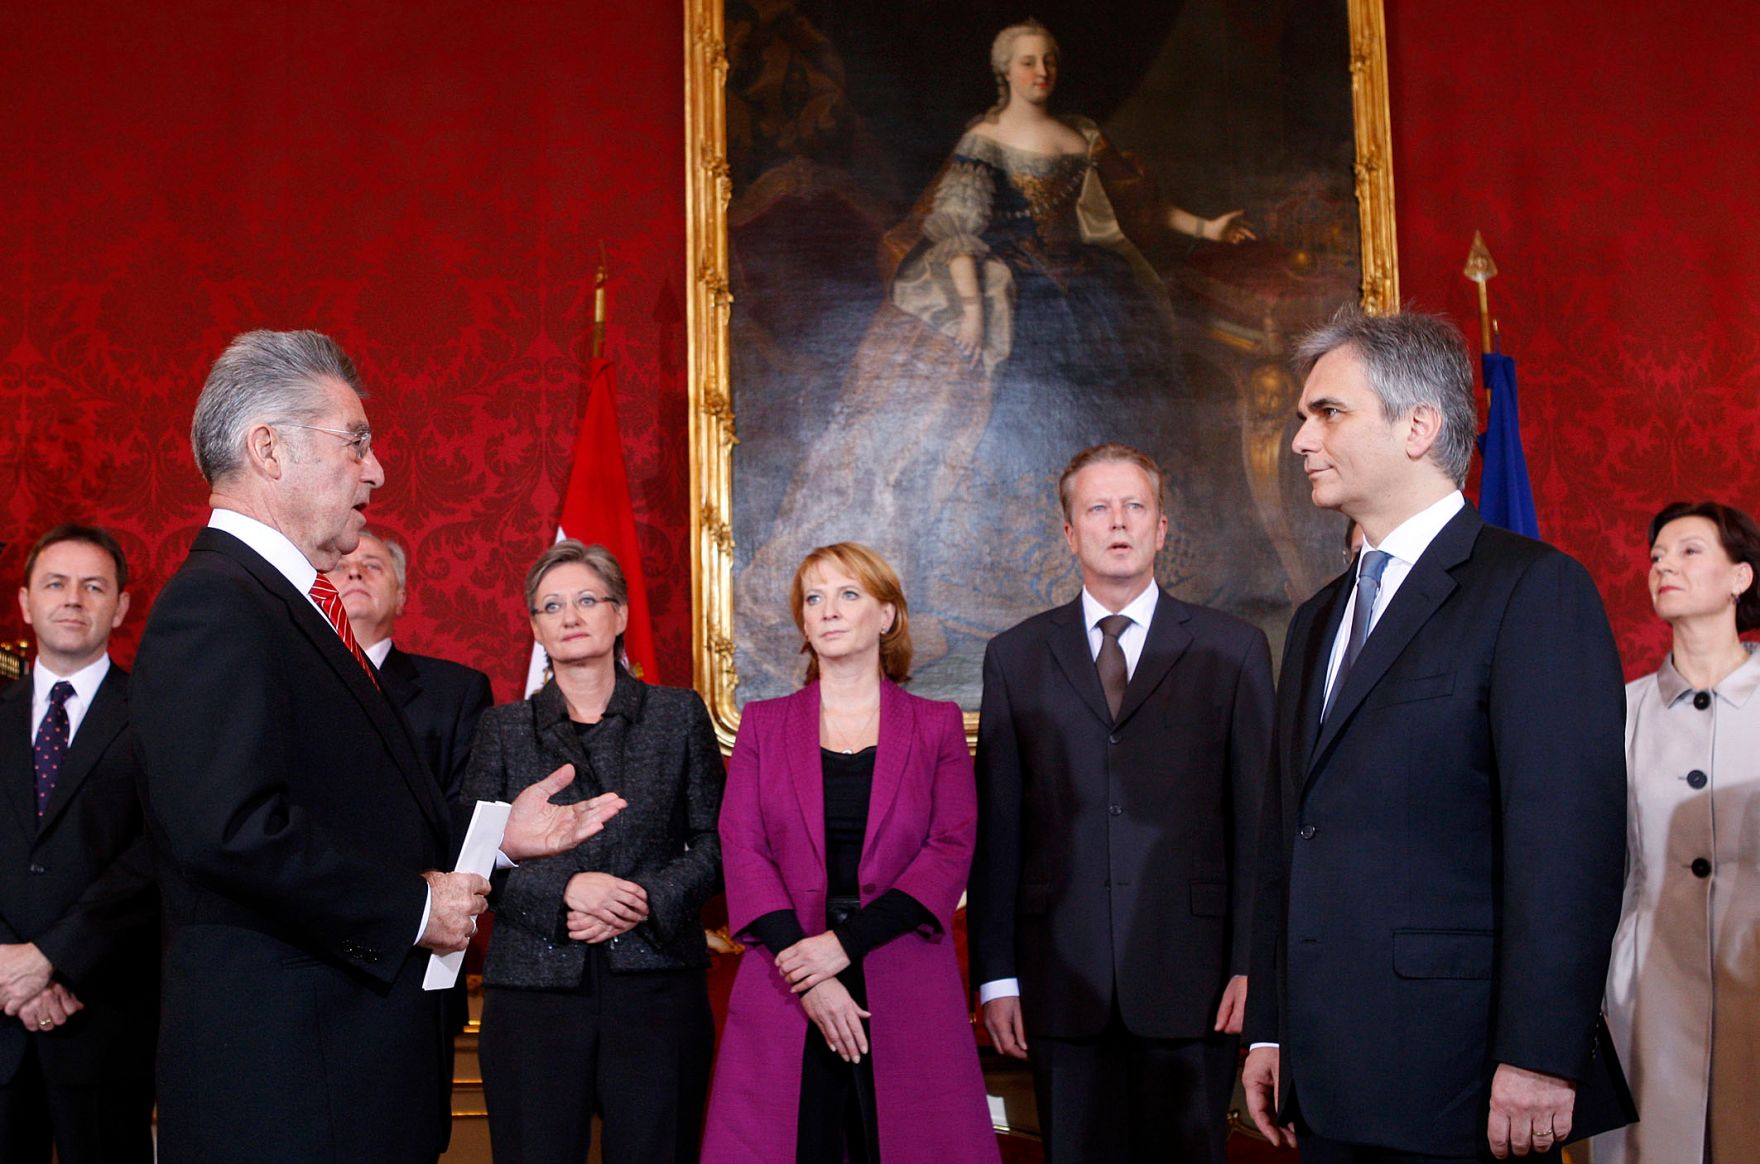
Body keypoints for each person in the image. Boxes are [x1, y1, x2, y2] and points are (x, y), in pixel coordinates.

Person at [130, 328, 627, 1164]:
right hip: (289, 1085)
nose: (377, 469)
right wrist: (417, 908)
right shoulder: (215, 606)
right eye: (355, 441)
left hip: (341, 1070)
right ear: (267, 449)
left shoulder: (289, 605)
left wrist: (492, 841)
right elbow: (231, 830)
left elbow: (343, 806)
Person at [736, 19, 1254, 681]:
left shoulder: (1082, 135)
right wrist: (975, 311)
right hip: (1011, 287)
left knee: (1121, 404)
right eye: (1028, 62)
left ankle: (1128, 572)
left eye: (1048, 61)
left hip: (1095, 290)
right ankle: (994, 584)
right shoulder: (985, 139)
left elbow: (1142, 210)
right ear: (1004, 71)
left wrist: (1209, 225)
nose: (1041, 72)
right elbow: (954, 230)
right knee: (1001, 406)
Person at [1242, 309, 1633, 1161]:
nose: (1301, 440)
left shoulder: (1532, 591)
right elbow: (1288, 838)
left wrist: (1540, 1053)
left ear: (1419, 426)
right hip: (1324, 1069)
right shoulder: (1315, 619)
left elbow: (1569, 846)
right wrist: (1269, 1030)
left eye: (1328, 413)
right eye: (1303, 418)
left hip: (1462, 1075)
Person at [967, 443, 1274, 1163]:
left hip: (1193, 981)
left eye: (1135, 506)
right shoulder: (1014, 657)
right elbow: (1000, 829)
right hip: (1058, 982)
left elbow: (1260, 824)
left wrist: (1251, 964)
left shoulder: (1234, 650)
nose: (1118, 523)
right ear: (1070, 533)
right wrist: (997, 973)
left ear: (1162, 528)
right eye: (1097, 508)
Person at [703, 542, 998, 1163]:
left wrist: (843, 947)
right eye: (814, 599)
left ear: (887, 616)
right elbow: (744, 848)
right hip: (787, 973)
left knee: (906, 1144)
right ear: (805, 624)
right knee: (789, 1143)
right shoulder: (763, 723)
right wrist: (808, 970)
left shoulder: (936, 724)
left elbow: (949, 849)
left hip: (900, 964)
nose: (829, 610)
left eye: (848, 594)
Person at [463, 539, 724, 1164]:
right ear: (535, 627)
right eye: (552, 606)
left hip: (657, 984)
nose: (571, 616)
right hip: (534, 991)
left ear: (621, 614)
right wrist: (564, 894)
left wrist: (644, 899)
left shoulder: (677, 714)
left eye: (587, 600)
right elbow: (473, 858)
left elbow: (720, 842)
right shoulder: (502, 729)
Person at [1592, 500, 1760, 1164]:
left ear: (1740, 576)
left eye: (1689, 550)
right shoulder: (1619, 714)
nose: (1664, 565)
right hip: (1646, 999)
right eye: (1657, 555)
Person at [0, 525, 157, 1162]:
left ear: (119, 606)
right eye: (56, 584)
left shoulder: (155, 715)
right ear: (25, 602)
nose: (73, 600)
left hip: (104, 1013)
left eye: (93, 587)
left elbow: (156, 854)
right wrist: (10, 964)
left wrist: (53, 959)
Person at [326, 529, 494, 800]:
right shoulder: (282, 679)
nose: (355, 573)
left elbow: (465, 807)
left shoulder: (457, 692)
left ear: (401, 598)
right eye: (339, 567)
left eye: (372, 565)